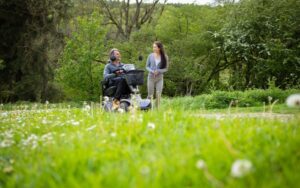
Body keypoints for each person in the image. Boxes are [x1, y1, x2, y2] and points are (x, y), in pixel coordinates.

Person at [146, 41, 168, 108]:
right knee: (150, 95)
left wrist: (158, 71)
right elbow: (147, 66)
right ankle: (148, 108)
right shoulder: (150, 56)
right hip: (151, 78)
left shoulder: (165, 57)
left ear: (159, 48)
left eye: (155, 47)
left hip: (160, 78)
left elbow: (166, 68)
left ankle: (157, 110)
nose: (153, 48)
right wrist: (152, 71)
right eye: (153, 47)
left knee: (158, 95)